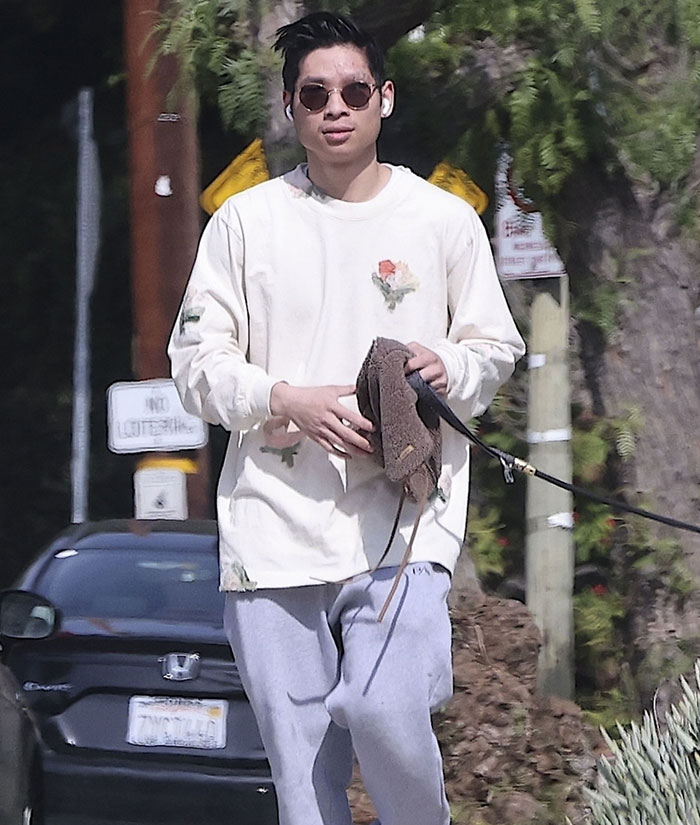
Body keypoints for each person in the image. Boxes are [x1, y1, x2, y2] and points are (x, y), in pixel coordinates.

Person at [168, 11, 525, 825]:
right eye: (315, 93)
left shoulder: (443, 221)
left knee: (380, 707)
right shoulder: (244, 224)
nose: (336, 108)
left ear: (384, 98)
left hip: (402, 523)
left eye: (354, 91)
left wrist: (449, 366)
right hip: (271, 528)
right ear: (292, 108)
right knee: (305, 787)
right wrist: (281, 399)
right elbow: (194, 363)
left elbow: (493, 347)